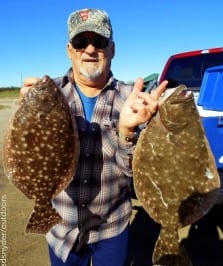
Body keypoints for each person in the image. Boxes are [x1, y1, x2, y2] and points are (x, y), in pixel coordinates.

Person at [22, 8, 168, 266]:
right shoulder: (48, 93)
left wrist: (126, 133)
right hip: (61, 227)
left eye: (99, 42)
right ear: (69, 49)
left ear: (112, 49)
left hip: (112, 227)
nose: (90, 50)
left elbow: (140, 175)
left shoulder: (132, 101)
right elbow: (27, 154)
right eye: (81, 42)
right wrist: (28, 115)